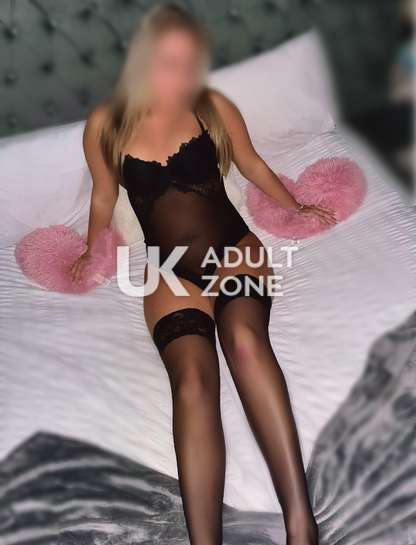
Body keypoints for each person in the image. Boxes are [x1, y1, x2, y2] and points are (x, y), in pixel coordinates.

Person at [72, 5, 336, 544]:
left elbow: (251, 163)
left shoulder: (212, 105)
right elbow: (102, 194)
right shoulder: (105, 123)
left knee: (244, 340)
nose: (182, 75)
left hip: (234, 249)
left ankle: (300, 523)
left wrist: (295, 205)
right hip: (170, 269)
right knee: (191, 382)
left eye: (191, 62)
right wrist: (89, 249)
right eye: (170, 61)